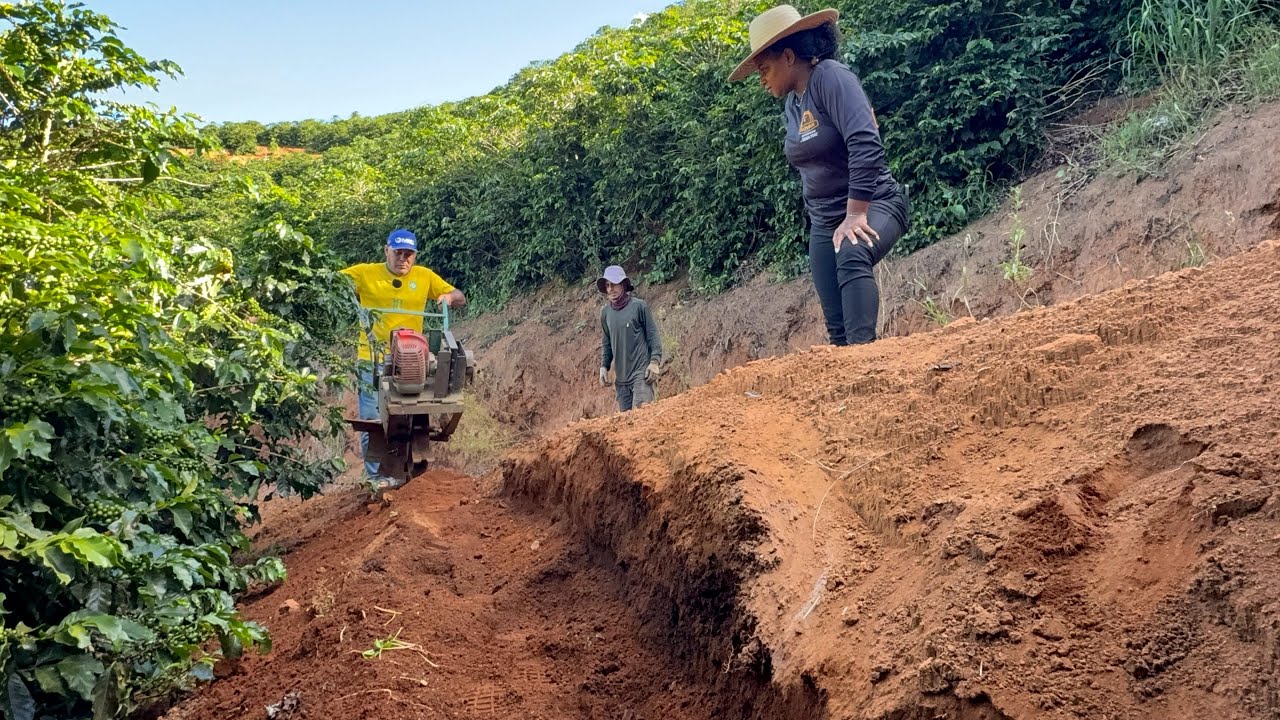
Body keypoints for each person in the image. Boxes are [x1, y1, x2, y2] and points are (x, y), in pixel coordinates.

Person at [729, 5, 910, 345]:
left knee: (853, 252)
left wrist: (855, 213)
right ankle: (848, 388)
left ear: (787, 56)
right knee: (837, 332)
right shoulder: (792, 106)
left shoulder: (831, 77)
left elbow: (866, 143)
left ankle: (866, 365)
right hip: (824, 223)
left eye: (764, 69)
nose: (762, 80)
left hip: (876, 203)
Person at [341, 229, 466, 485]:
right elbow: (330, 284)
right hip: (371, 357)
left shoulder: (424, 276)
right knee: (372, 418)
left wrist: (448, 297)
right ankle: (376, 476)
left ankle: (409, 470)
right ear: (386, 250)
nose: (403, 259)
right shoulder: (364, 273)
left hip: (411, 359)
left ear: (415, 255)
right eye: (398, 252)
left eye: (409, 254)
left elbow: (459, 296)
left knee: (412, 412)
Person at [597, 265, 663, 412]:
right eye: (607, 285)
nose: (610, 289)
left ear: (623, 284)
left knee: (640, 418)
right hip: (621, 380)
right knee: (627, 427)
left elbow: (653, 335)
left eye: (614, 284)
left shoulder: (639, 307)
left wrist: (654, 362)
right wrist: (604, 367)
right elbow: (607, 343)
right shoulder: (606, 313)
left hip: (641, 374)